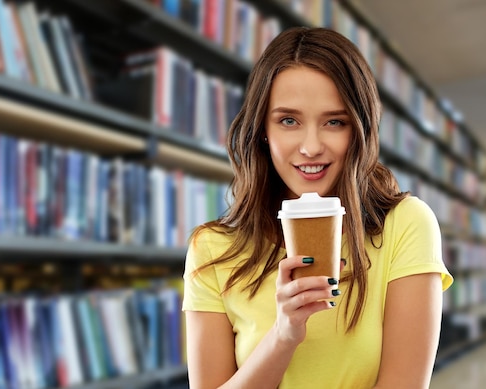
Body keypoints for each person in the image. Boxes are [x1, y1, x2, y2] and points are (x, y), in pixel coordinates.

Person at [182, 26, 453, 389]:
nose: (311, 147)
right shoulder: (212, 248)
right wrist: (284, 335)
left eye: (334, 122)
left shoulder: (405, 224)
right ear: (263, 129)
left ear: (359, 129)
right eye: (289, 121)